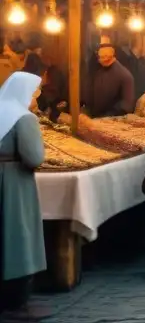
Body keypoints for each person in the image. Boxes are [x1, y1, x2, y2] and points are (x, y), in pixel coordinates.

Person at [0, 72, 45, 312]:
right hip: (14, 182)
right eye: (34, 91)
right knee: (17, 234)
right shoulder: (23, 118)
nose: (35, 95)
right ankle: (16, 298)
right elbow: (34, 156)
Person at [85, 43, 134, 118]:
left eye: (106, 56)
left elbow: (127, 105)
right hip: (94, 117)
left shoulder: (124, 75)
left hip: (113, 121)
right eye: (100, 57)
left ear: (112, 56)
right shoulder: (97, 70)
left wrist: (107, 116)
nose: (102, 60)